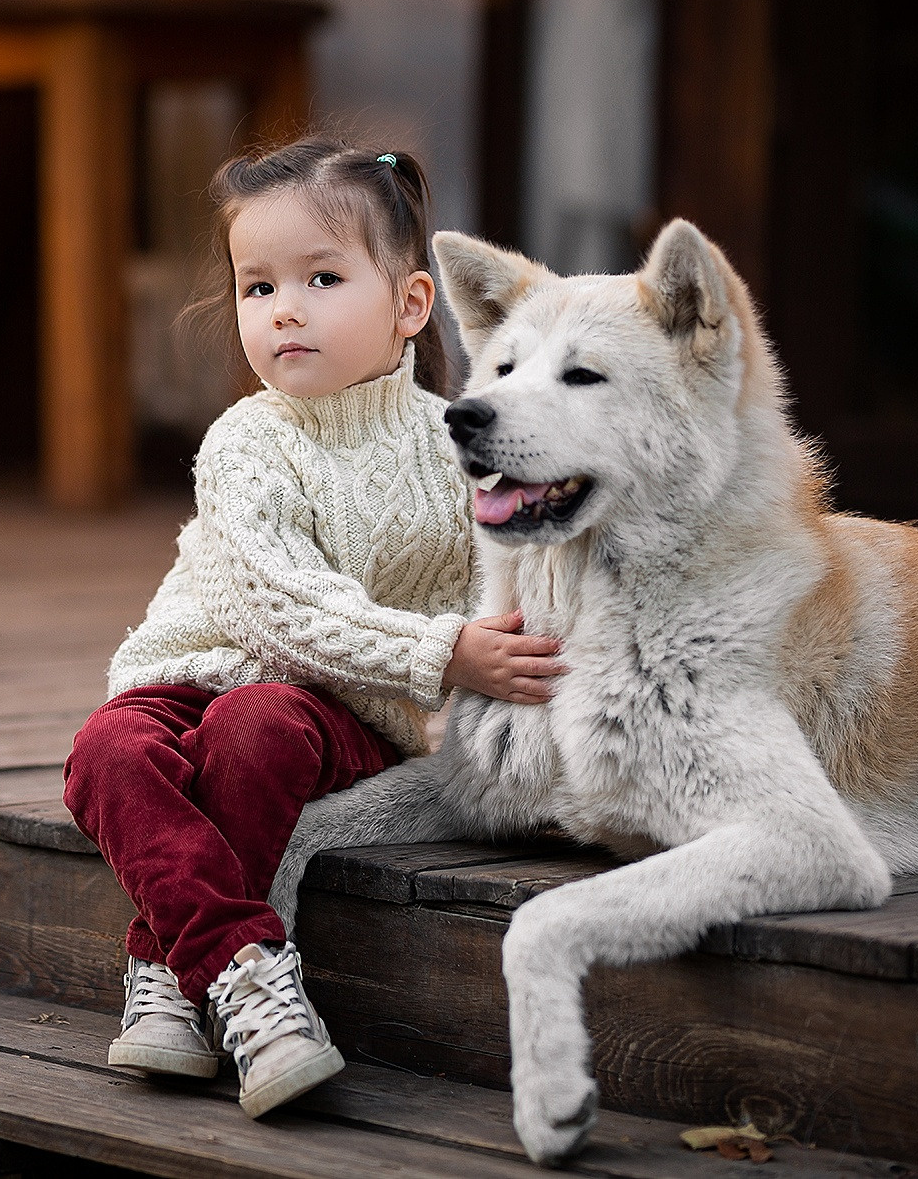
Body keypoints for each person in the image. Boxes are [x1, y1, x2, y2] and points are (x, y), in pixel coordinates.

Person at [62, 136, 564, 1118]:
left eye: (321, 277)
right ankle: (238, 973)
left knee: (257, 727)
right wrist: (435, 657)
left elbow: (498, 592)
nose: (282, 307)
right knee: (104, 749)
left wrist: (459, 676)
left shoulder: (460, 446)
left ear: (410, 306)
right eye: (257, 286)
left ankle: (173, 970)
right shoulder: (246, 440)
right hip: (187, 677)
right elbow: (278, 603)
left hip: (322, 715)